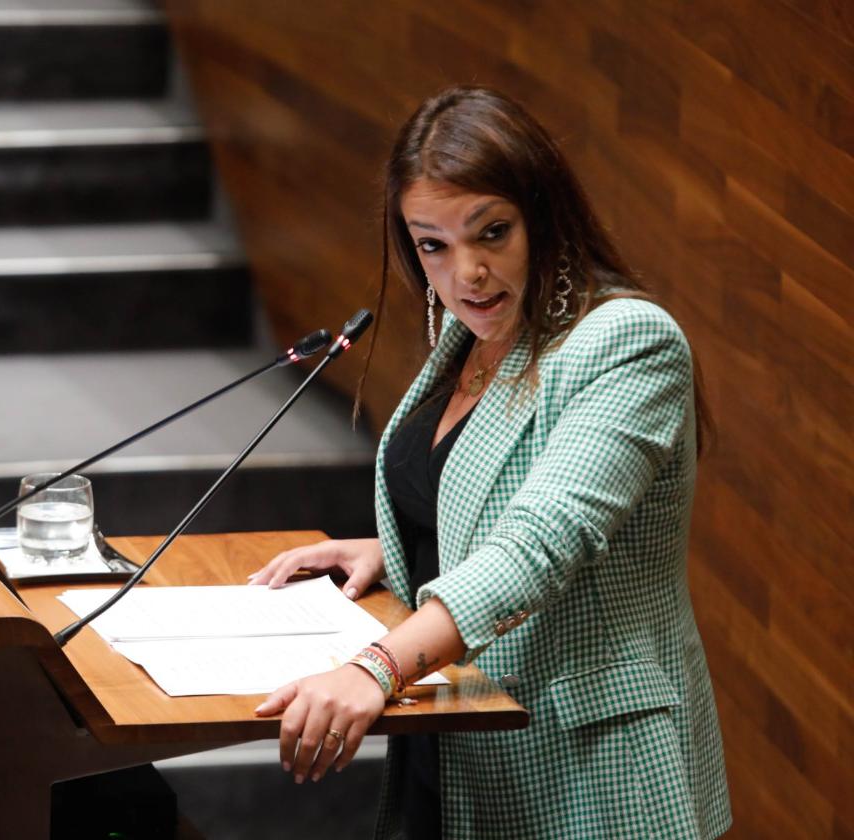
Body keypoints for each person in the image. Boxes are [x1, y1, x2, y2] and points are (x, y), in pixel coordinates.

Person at [248, 86, 731, 839]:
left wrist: (372, 668)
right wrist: (401, 545)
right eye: (432, 245)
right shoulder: (472, 339)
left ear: (544, 215)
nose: (465, 273)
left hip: (585, 771)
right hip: (458, 740)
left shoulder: (627, 341)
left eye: (492, 233)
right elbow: (487, 490)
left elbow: (540, 544)